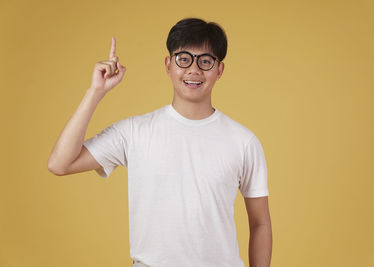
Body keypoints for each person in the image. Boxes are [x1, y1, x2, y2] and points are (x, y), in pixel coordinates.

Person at [48, 18, 272, 267]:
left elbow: (260, 223)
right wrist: (95, 92)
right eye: (183, 58)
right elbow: (60, 163)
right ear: (168, 65)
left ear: (219, 70)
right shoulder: (134, 132)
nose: (193, 70)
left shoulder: (243, 141)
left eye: (205, 61)